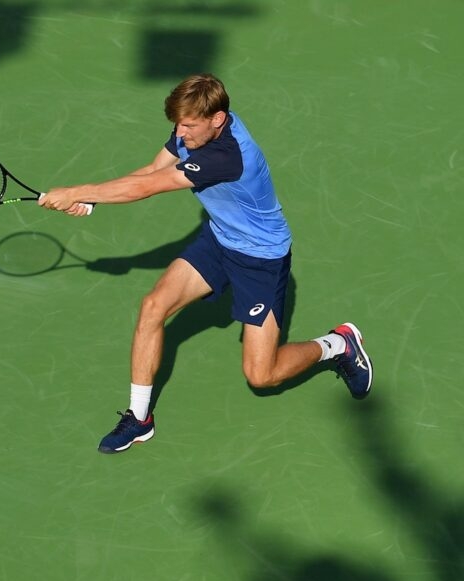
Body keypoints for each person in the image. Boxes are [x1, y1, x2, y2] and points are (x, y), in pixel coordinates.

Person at [37, 73, 372, 454]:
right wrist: (95, 198)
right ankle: (139, 417)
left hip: (259, 258)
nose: (180, 134)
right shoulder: (197, 126)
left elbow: (149, 188)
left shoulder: (226, 155)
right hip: (219, 240)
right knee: (152, 307)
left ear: (217, 119)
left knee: (262, 375)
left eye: (188, 126)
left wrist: (77, 191)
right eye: (178, 124)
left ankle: (338, 345)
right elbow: (150, 170)